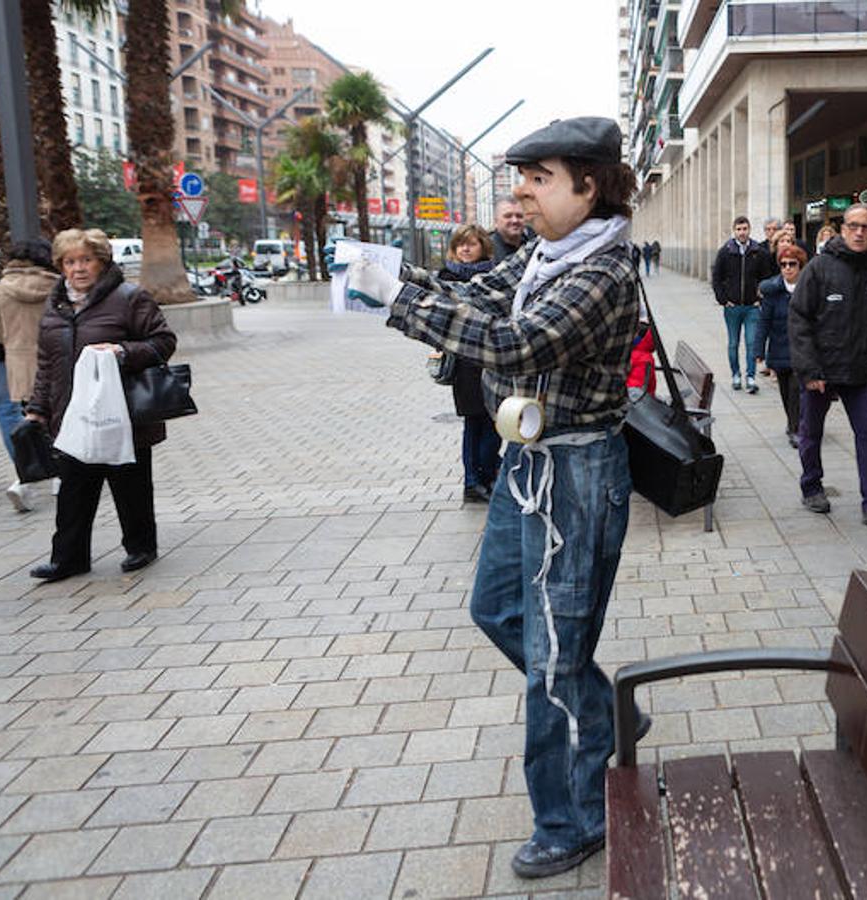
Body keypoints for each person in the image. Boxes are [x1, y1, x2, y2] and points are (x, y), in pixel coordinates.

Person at [344, 116, 643, 880]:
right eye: (522, 178)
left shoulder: (602, 270)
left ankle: (573, 818)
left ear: (591, 185)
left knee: (550, 662)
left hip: (574, 477)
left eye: (539, 178)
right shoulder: (548, 254)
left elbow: (516, 344)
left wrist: (398, 305)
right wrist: (395, 275)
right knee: (496, 612)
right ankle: (605, 712)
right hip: (527, 463)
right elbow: (475, 290)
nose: (522, 193)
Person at [25, 229, 177, 581]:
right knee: (74, 491)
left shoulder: (129, 297)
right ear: (60, 265)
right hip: (73, 414)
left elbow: (163, 341)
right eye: (70, 261)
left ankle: (141, 547)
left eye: (86, 260)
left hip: (121, 413)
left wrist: (123, 352)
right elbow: (47, 364)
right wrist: (37, 408)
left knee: (130, 485)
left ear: (102, 262)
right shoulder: (55, 305)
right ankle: (68, 558)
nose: (78, 268)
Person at [789, 203, 867, 529]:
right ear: (843, 228)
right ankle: (812, 486)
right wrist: (809, 372)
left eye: (866, 227)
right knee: (811, 432)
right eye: (853, 226)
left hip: (863, 373)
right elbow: (798, 320)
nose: (860, 232)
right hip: (821, 371)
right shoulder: (819, 269)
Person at [0, 239, 61, 512]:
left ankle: (25, 478)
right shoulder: (57, 286)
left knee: (22, 416)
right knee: (58, 413)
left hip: (18, 361)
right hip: (54, 358)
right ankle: (60, 473)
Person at [436, 225, 501, 503]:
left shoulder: (494, 276)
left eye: (471, 244)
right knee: (474, 422)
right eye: (460, 244)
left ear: (482, 247)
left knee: (493, 421)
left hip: (491, 358)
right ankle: (473, 481)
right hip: (465, 361)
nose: (464, 249)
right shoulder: (446, 278)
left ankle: (484, 475)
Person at [710, 215, 775, 393]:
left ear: (749, 230)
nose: (742, 232)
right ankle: (736, 375)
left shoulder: (758, 252)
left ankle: (751, 377)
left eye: (745, 229)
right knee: (733, 343)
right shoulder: (725, 251)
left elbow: (766, 277)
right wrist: (723, 299)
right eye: (739, 229)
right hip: (732, 308)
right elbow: (717, 278)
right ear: (734, 231)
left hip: (752, 307)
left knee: (751, 342)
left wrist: (759, 298)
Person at [756, 244, 806, 446]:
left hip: (802, 350)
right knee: (785, 391)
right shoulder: (772, 291)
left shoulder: (808, 289)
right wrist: (758, 350)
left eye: (792, 264)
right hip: (779, 348)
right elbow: (763, 322)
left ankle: (796, 428)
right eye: (783, 264)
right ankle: (792, 422)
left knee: (796, 390)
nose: (787, 268)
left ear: (800, 266)